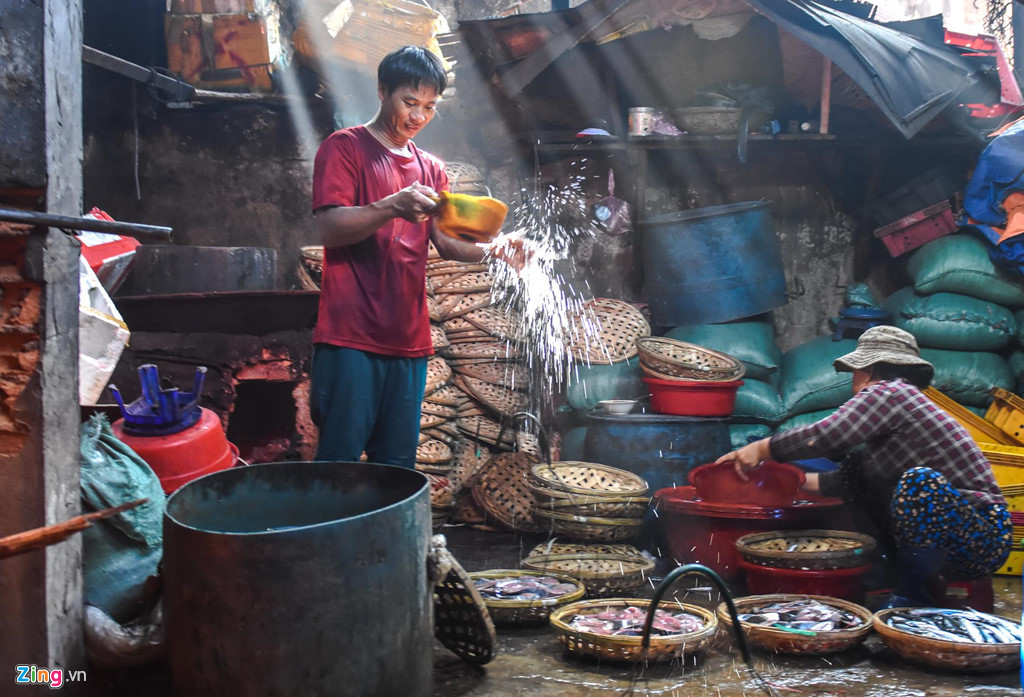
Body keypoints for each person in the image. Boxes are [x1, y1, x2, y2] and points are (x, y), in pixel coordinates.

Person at [310, 46, 520, 468]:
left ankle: (387, 536)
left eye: (429, 107)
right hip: (351, 333)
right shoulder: (344, 148)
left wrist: (499, 250)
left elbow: (447, 244)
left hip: (408, 337)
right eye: (409, 103)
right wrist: (391, 205)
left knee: (398, 465)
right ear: (383, 90)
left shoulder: (432, 169)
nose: (418, 117)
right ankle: (331, 536)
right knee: (340, 462)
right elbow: (329, 228)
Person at [715, 325, 1012, 608]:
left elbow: (826, 437)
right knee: (858, 468)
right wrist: (783, 481)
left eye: (855, 371)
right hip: (961, 536)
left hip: (982, 538)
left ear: (868, 370)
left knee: (919, 483)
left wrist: (761, 448)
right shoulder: (904, 405)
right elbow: (846, 483)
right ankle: (883, 581)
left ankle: (914, 597)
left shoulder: (891, 393)